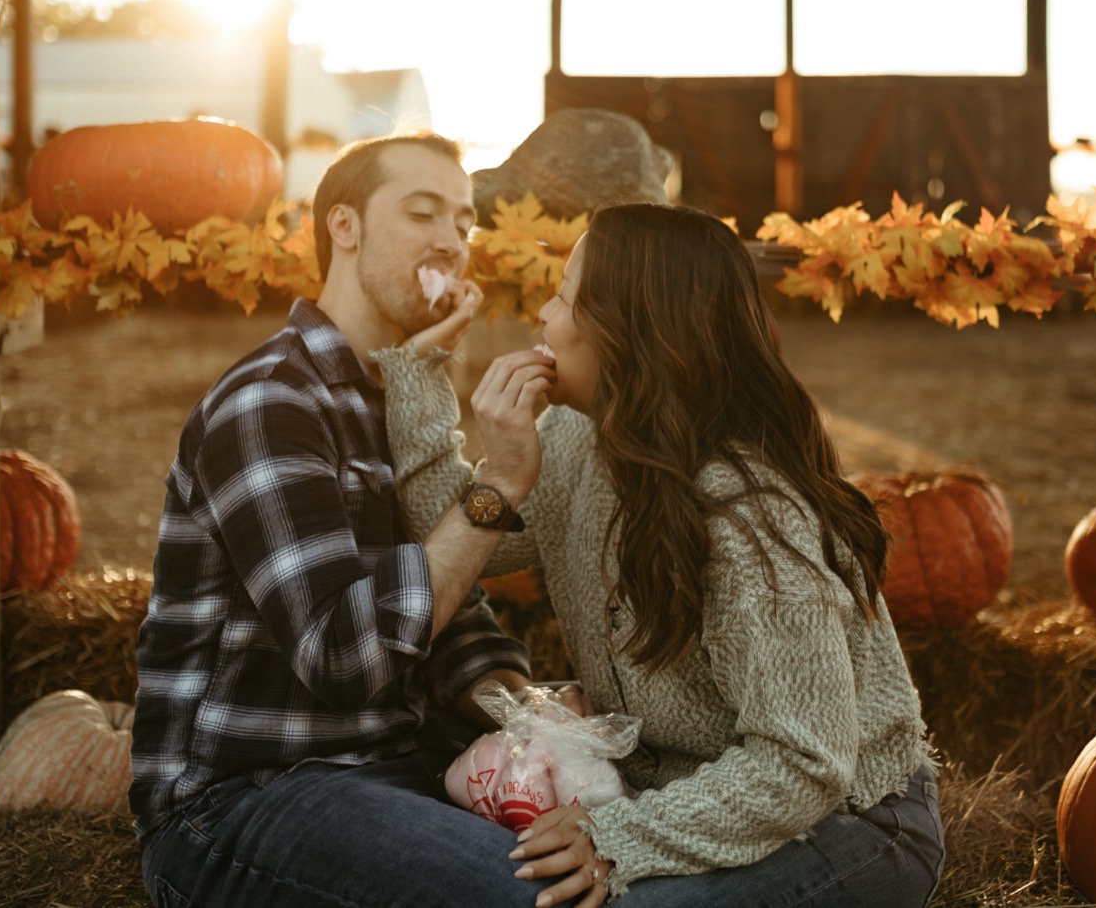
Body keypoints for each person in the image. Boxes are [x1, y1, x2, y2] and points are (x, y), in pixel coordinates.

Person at [377, 202, 945, 908]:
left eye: (562, 296)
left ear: (621, 333)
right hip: (691, 797)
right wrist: (430, 379)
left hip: (849, 822)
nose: (544, 320)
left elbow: (803, 764)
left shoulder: (751, 515)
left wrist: (618, 838)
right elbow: (460, 533)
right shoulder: (582, 441)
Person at [130, 132, 584, 908]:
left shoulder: (398, 408)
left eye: (465, 222)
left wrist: (532, 724)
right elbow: (345, 656)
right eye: (422, 212)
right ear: (344, 227)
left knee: (600, 863)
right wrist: (499, 484)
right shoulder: (273, 400)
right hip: (243, 799)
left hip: (393, 771)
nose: (452, 240)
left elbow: (451, 614)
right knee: (535, 901)